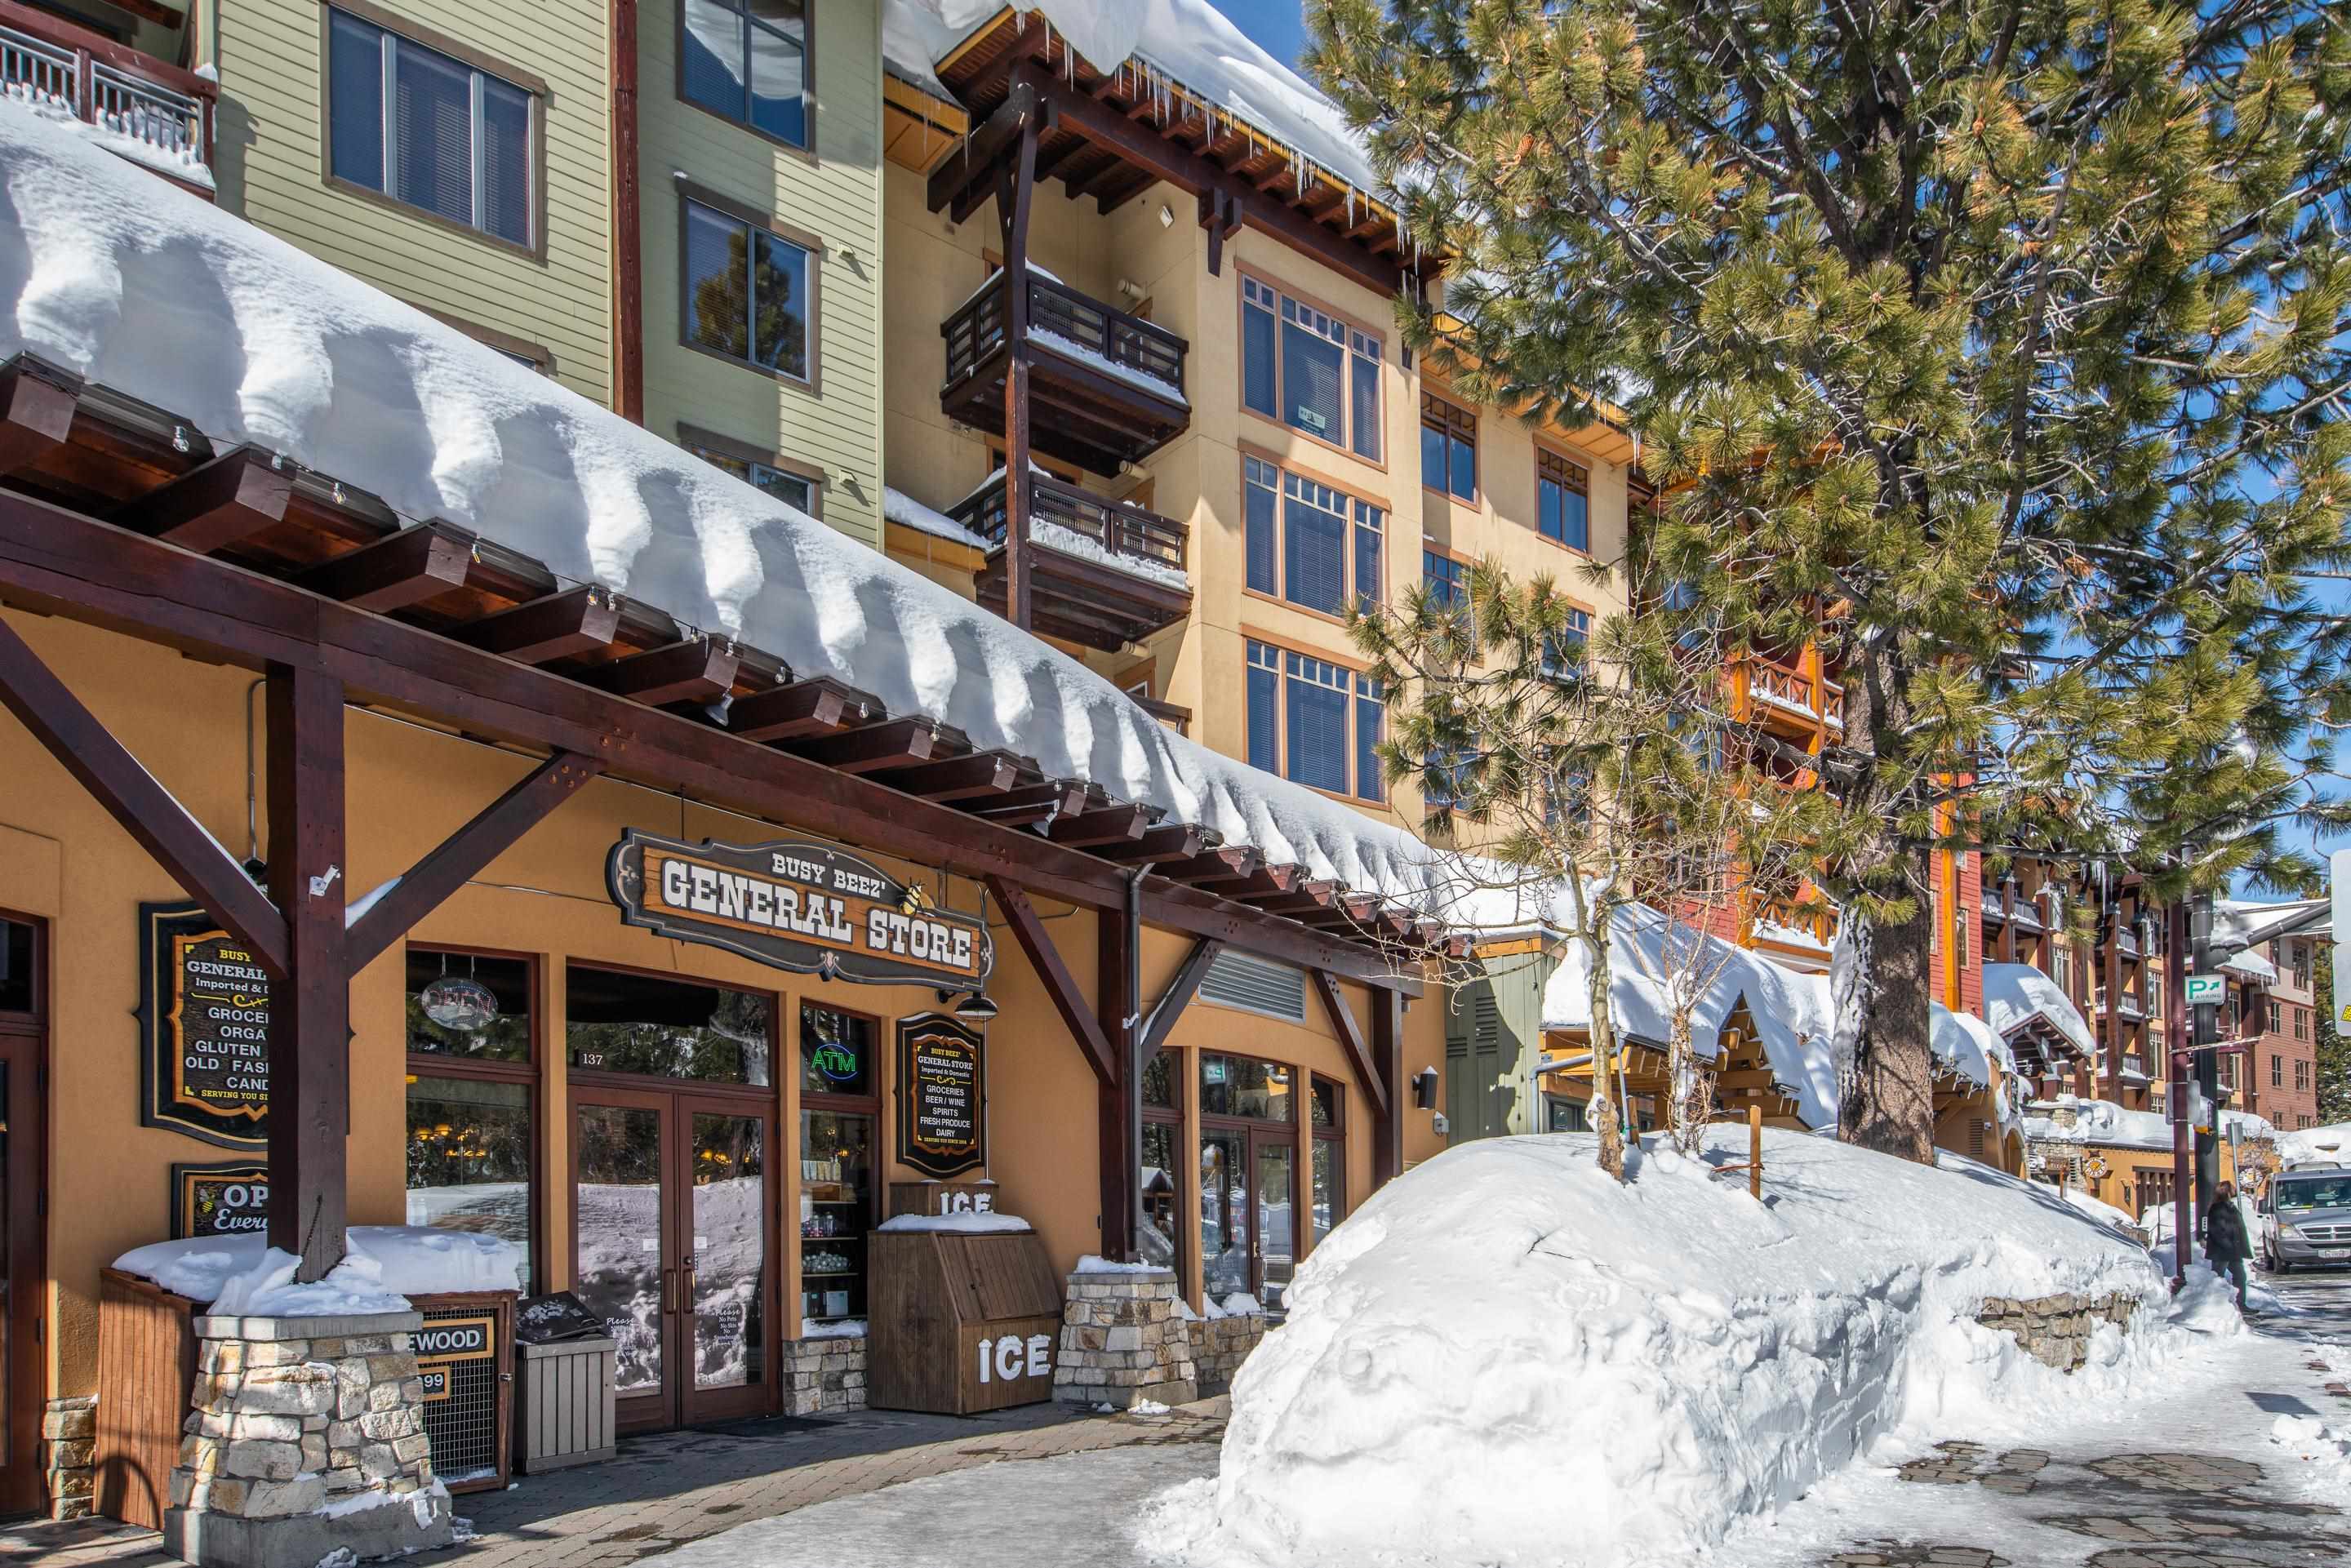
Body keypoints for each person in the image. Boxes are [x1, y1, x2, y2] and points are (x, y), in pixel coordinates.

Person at [2203, 1179, 2251, 1311]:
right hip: (2222, 1252)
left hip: (2232, 1250)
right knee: (2217, 1277)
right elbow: (2217, 1231)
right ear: (2227, 1191)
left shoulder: (2230, 1206)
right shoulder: (2218, 1208)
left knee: (2240, 1275)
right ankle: (2215, 1306)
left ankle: (2240, 1303)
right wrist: (2228, 1246)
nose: (2235, 1189)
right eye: (2232, 1188)